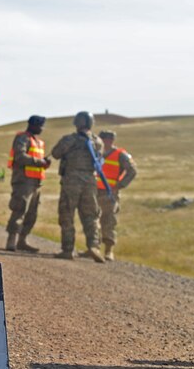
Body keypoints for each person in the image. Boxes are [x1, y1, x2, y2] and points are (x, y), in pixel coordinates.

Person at [50, 111, 105, 262]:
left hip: (71, 180)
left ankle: (68, 249)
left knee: (67, 214)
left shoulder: (70, 139)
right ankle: (94, 246)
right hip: (90, 181)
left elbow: (55, 153)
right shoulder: (98, 141)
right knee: (91, 215)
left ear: (76, 123)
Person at [5, 115, 51, 252]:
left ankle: (22, 241)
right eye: (40, 126)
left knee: (32, 214)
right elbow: (20, 156)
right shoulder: (23, 138)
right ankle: (11, 240)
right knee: (19, 210)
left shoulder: (38, 141)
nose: (42, 129)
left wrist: (44, 163)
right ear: (33, 125)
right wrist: (39, 162)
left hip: (36, 182)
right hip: (23, 181)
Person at [95, 130, 137, 261]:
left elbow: (132, 170)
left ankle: (108, 251)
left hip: (109, 193)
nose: (105, 141)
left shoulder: (121, 155)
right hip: (93, 191)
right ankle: (93, 248)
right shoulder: (95, 153)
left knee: (108, 221)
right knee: (92, 221)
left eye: (108, 139)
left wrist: (119, 185)